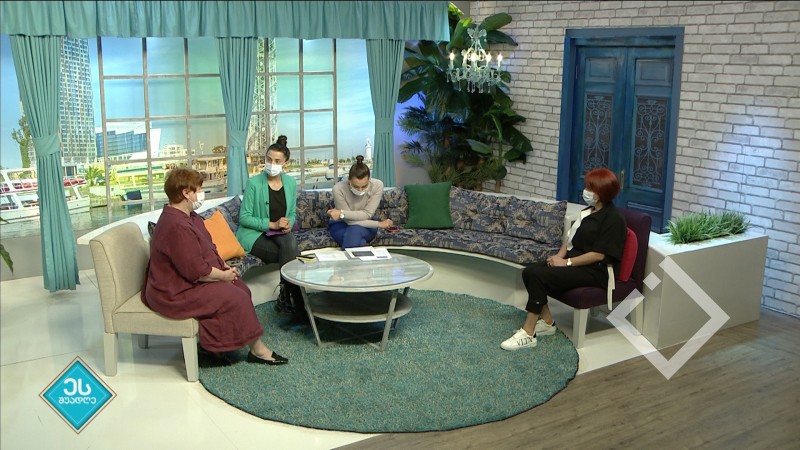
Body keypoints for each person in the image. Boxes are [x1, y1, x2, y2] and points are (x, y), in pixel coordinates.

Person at [143, 168, 287, 366]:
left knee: (241, 289)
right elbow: (195, 270)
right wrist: (223, 276)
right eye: (198, 190)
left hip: (188, 281)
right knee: (234, 297)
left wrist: (223, 267)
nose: (201, 193)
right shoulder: (176, 226)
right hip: (174, 291)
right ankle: (258, 350)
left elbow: (206, 249)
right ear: (185, 193)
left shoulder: (189, 216)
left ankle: (213, 348)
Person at [501, 167, 627, 351]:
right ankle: (547, 322)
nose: (586, 191)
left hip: (596, 271)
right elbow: (569, 239)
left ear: (602, 192)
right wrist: (559, 256)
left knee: (538, 276)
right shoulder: (588, 211)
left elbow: (599, 254)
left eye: (590, 188)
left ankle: (528, 333)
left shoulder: (614, 219)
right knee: (529, 272)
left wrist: (566, 263)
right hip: (576, 263)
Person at [237, 143, 304, 317]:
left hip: (280, 235)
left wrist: (289, 223)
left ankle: (287, 298)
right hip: (254, 235)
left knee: (289, 243)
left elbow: (291, 213)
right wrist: (272, 225)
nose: (272, 164)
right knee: (291, 252)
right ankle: (298, 302)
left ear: (285, 163)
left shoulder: (290, 183)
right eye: (269, 159)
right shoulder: (254, 183)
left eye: (277, 161)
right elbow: (244, 217)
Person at [327, 155, 393, 249]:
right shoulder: (338, 189)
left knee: (354, 232)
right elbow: (349, 221)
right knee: (356, 237)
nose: (360, 190)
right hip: (341, 224)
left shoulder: (377, 185)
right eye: (356, 186)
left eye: (364, 186)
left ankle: (349, 258)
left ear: (369, 179)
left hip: (367, 224)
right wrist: (379, 224)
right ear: (349, 180)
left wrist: (341, 213)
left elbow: (367, 214)